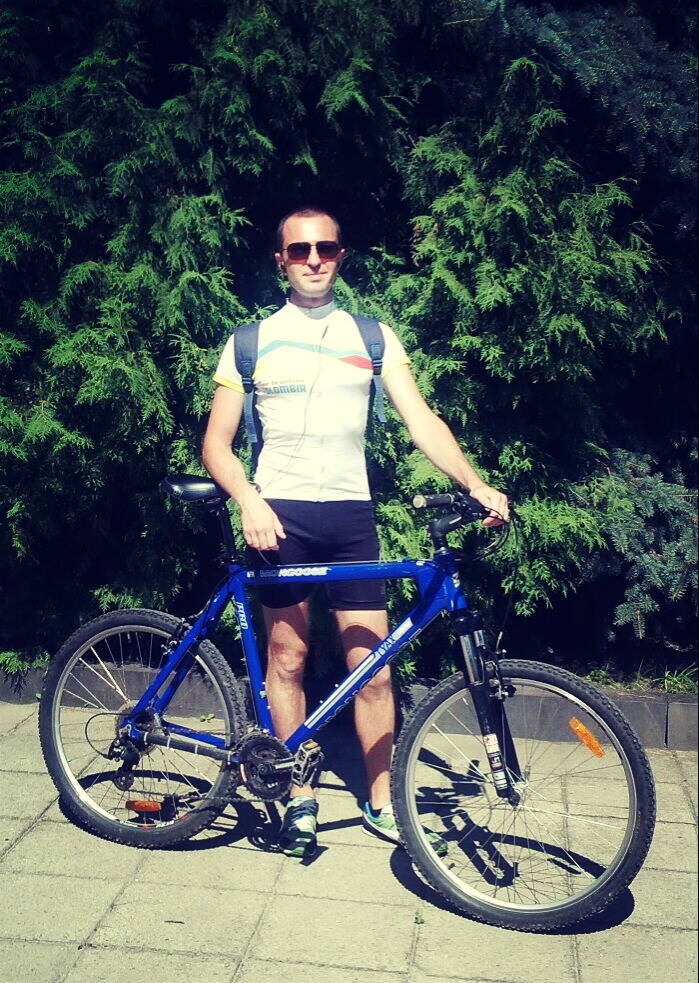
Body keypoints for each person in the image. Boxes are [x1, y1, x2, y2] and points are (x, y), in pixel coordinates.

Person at [202, 206, 509, 858]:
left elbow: (421, 421)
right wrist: (248, 500)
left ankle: (381, 801)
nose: (314, 259)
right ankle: (298, 796)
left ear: (340, 256)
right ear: (281, 260)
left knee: (372, 670)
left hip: (349, 516)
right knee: (286, 660)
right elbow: (216, 444)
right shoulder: (250, 342)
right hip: (279, 514)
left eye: (326, 247)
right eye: (300, 249)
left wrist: (475, 483)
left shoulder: (372, 338)